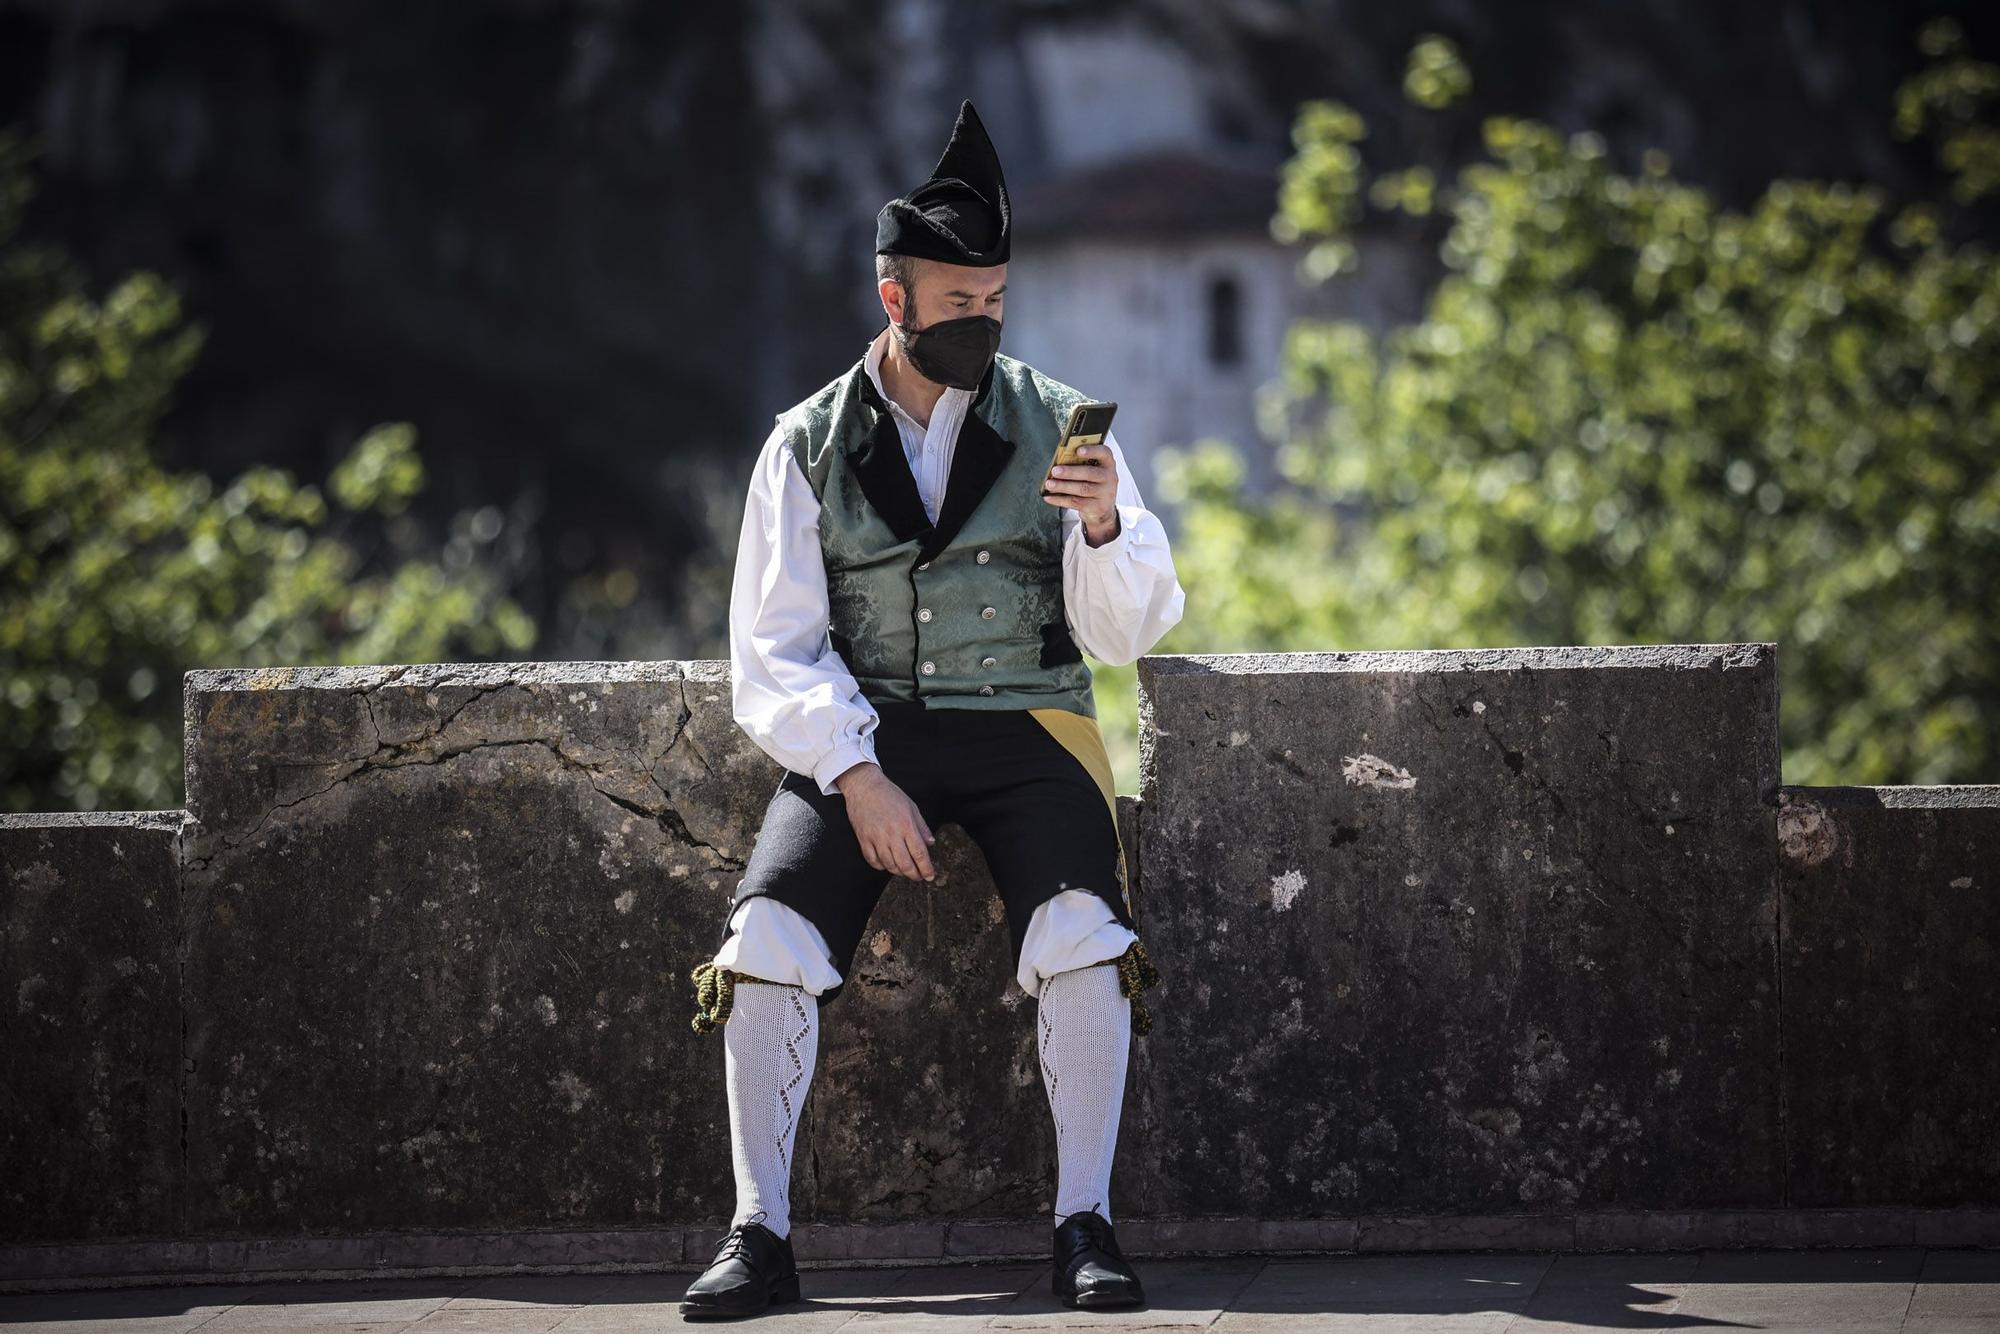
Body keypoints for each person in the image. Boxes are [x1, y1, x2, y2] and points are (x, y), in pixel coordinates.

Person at [679, 99, 1186, 1320]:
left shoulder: (1057, 424)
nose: (985, 319)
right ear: (894, 297)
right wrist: (853, 773)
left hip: (1029, 726)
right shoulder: (801, 444)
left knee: (1084, 934)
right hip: (869, 728)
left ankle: (1084, 1224)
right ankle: (759, 1235)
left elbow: (1125, 632)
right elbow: (773, 648)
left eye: (997, 298)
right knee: (764, 948)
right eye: (960, 300)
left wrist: (1107, 522)